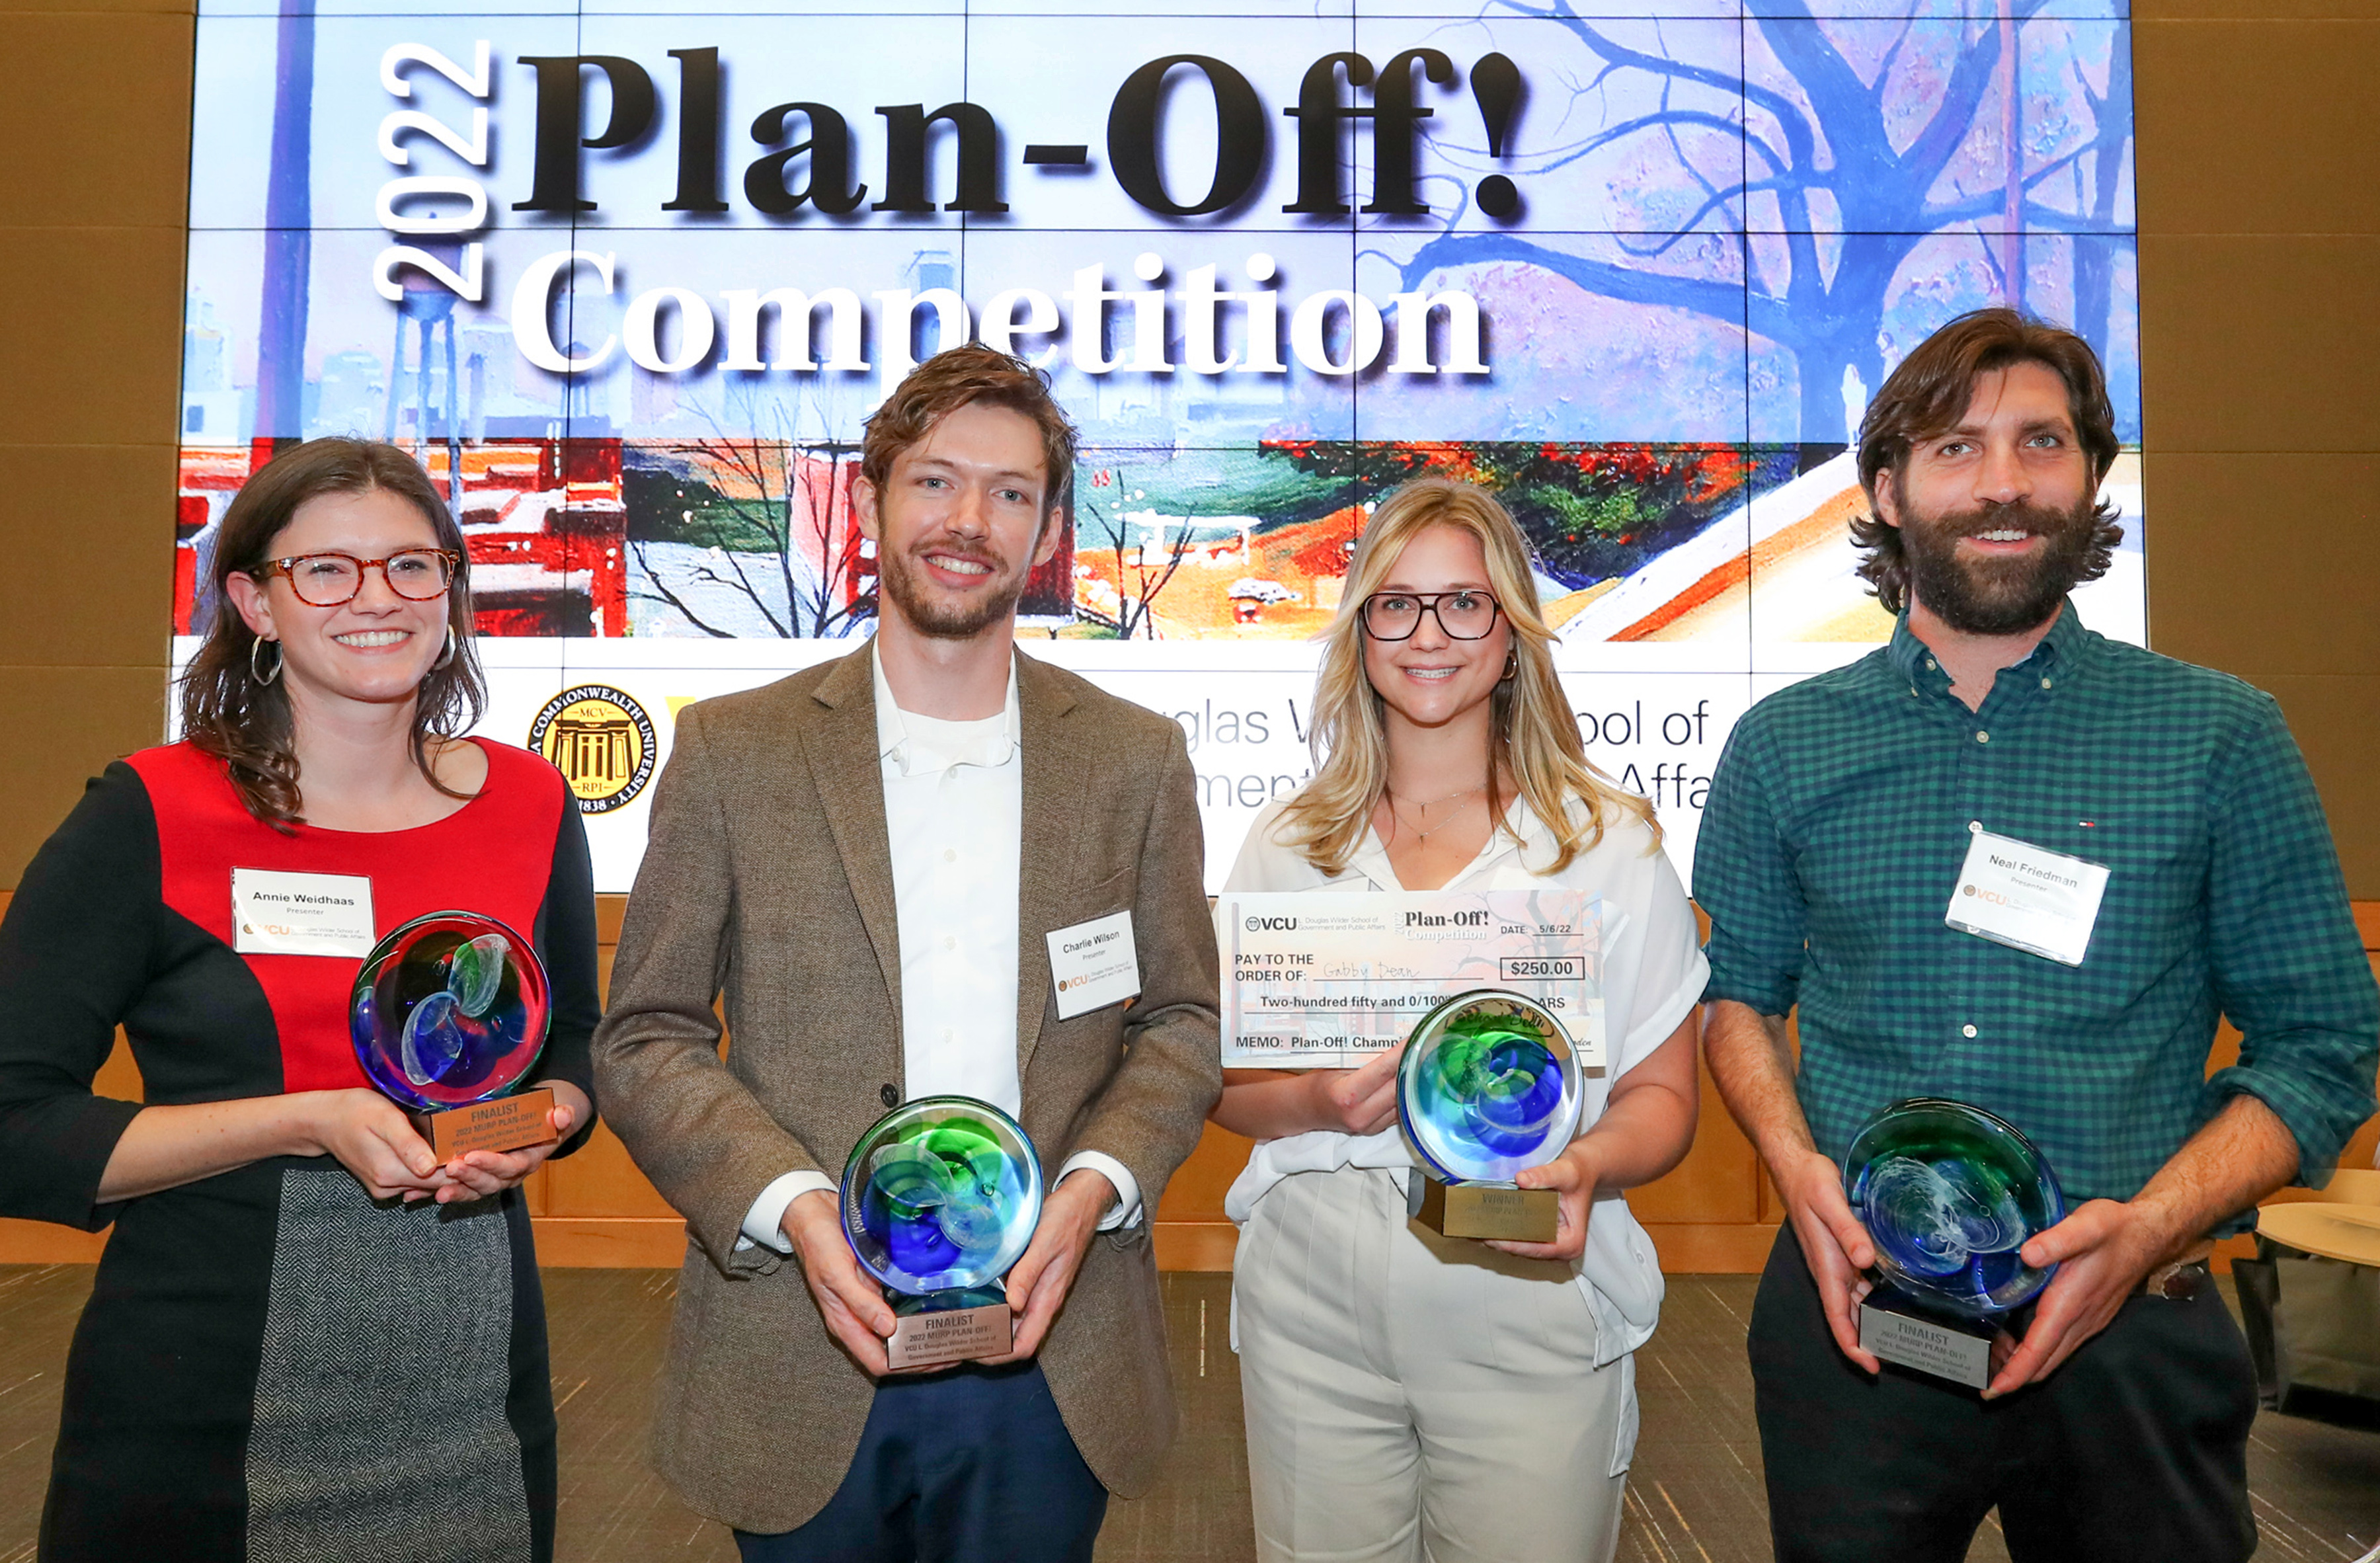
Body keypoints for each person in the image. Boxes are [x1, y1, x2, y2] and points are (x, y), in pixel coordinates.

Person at [1695, 307, 2380, 1563]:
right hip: (1863, 1327)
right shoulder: (1781, 747)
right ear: (1888, 491)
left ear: (2093, 475)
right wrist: (1797, 1170)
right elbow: (1736, 993)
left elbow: (2325, 1047)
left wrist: (2154, 1226)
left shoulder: (2222, 739)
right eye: (1956, 448)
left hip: (2138, 1337)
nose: (2003, 482)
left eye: (2042, 442)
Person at [591, 344, 1221, 1562]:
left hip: (1053, 1345)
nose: (968, 522)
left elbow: (1180, 1023)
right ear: (874, 495)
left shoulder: (1133, 762)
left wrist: (1093, 1190)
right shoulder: (734, 752)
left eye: (1011, 492)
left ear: (1047, 532)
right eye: (935, 482)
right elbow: (647, 1034)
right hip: (796, 1337)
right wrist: (794, 1210)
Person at [0, 438, 601, 1562]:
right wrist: (304, 1118)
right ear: (254, 602)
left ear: (450, 590)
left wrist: (538, 1122)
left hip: (471, 1392)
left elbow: (572, 1045)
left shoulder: (531, 803)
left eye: (412, 567)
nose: (377, 599)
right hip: (200, 1401)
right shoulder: (149, 812)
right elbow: (13, 1125)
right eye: (326, 570)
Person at [1212, 479, 1704, 1563]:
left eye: (1465, 605)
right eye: (1396, 604)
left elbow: (1665, 1102)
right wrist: (1317, 1102)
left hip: (1523, 1274)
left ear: (1514, 634)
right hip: (1311, 1293)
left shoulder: (1605, 845)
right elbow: (1229, 1091)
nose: (1428, 634)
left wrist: (1584, 1168)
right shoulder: (1287, 842)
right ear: (1359, 631)